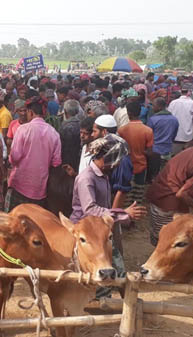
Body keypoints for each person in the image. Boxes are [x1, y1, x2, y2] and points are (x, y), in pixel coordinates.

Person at [70, 134, 146, 279]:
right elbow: (90, 209)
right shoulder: (86, 179)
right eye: (116, 161)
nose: (117, 165)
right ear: (106, 159)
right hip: (86, 233)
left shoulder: (103, 175)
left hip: (99, 231)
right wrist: (124, 213)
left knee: (113, 266)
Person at [6, 97, 61, 211]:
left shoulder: (23, 129)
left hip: (19, 185)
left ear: (30, 112)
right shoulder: (54, 133)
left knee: (10, 222)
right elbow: (56, 163)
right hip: (40, 189)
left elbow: (14, 158)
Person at [118, 101, 154, 203]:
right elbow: (150, 152)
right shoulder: (148, 131)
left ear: (128, 113)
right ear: (140, 112)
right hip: (141, 166)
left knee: (125, 193)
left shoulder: (121, 130)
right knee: (138, 194)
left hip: (126, 166)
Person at [168, 83, 193, 156]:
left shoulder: (173, 103)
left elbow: (169, 119)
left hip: (174, 137)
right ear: (190, 92)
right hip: (187, 138)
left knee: (175, 158)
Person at [147, 97, 179, 169]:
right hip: (168, 150)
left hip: (155, 151)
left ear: (159, 107)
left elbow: (148, 137)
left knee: (154, 173)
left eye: (153, 105)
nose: (152, 108)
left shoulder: (153, 119)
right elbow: (174, 135)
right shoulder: (174, 119)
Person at [59, 99, 84, 171]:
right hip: (78, 160)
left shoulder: (64, 126)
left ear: (65, 111)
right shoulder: (82, 124)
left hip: (66, 161)